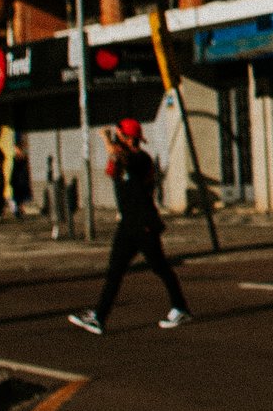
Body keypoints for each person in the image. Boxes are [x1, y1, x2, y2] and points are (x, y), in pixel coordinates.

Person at [68, 118, 192, 334]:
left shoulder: (140, 159)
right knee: (115, 271)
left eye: (125, 137)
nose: (124, 141)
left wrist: (107, 139)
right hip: (128, 225)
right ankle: (99, 317)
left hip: (144, 224)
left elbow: (119, 156)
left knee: (160, 267)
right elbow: (114, 167)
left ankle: (180, 308)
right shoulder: (123, 159)